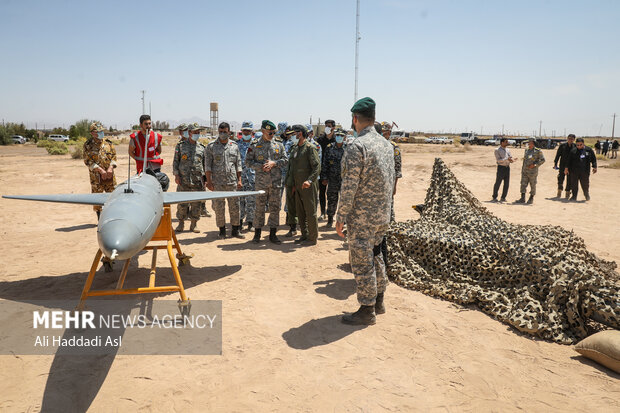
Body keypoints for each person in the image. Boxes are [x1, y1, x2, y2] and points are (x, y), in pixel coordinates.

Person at [336, 97, 395, 325]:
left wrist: (341, 217)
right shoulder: (386, 144)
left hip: (362, 217)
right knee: (376, 254)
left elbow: (349, 186)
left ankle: (367, 309)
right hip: (382, 215)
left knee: (361, 261)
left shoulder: (357, 145)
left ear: (355, 118)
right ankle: (379, 301)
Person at [245, 120, 288, 244]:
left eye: (273, 132)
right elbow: (248, 162)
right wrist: (260, 167)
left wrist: (275, 163)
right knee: (259, 208)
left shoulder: (279, 145)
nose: (272, 135)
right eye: (269, 132)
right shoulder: (254, 145)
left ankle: (273, 234)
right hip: (261, 183)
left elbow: (285, 160)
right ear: (263, 131)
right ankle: (257, 234)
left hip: (275, 183)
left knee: (274, 208)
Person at [205, 122, 243, 238]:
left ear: (229, 132)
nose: (222, 134)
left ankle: (235, 230)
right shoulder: (211, 146)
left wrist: (239, 180)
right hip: (218, 183)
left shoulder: (234, 146)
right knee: (219, 208)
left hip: (232, 182)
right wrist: (209, 182)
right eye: (220, 132)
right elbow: (207, 166)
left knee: (235, 207)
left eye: (224, 132)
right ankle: (222, 231)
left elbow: (238, 165)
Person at [286, 124, 321, 245]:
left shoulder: (310, 148)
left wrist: (310, 180)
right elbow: (293, 168)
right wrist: (294, 184)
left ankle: (312, 238)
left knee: (310, 212)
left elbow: (317, 167)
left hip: (308, 186)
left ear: (299, 134)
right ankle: (304, 235)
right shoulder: (296, 148)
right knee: (300, 212)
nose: (292, 136)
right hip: (298, 186)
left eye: (294, 134)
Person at [172, 123, 206, 233]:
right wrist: (177, 175)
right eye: (195, 132)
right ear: (189, 133)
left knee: (196, 204)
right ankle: (181, 223)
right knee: (182, 204)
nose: (197, 134)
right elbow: (176, 162)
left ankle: (194, 224)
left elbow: (205, 165)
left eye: (198, 132)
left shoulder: (202, 148)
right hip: (183, 180)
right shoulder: (181, 146)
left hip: (197, 181)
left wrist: (205, 180)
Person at [83, 122, 117, 220]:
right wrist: (100, 170)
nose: (101, 133)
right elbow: (87, 161)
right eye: (98, 131)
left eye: (101, 131)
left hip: (110, 176)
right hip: (96, 178)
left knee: (113, 197)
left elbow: (114, 157)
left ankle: (112, 219)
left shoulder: (108, 143)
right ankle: (100, 220)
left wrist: (110, 168)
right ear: (92, 133)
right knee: (97, 199)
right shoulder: (88, 145)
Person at [128, 114, 169, 191]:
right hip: (141, 167)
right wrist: (138, 159)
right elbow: (130, 152)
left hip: (155, 167)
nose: (148, 126)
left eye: (150, 123)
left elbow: (159, 151)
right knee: (142, 188)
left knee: (156, 187)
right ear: (141, 125)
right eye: (146, 124)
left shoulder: (157, 136)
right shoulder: (135, 137)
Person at [321, 129, 346, 227]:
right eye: (338, 135)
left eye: (341, 135)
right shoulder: (329, 148)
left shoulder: (348, 148)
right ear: (335, 136)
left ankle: (343, 221)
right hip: (332, 179)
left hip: (345, 179)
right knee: (331, 199)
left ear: (344, 137)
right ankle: (330, 219)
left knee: (344, 200)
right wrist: (324, 177)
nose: (339, 137)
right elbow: (325, 163)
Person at [381, 122, 402, 221]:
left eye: (383, 132)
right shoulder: (376, 145)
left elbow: (397, 169)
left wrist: (394, 186)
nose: (381, 134)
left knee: (389, 207)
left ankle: (390, 229)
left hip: (389, 183)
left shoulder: (394, 147)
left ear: (389, 133)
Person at [237, 121, 256, 232]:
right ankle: (239, 222)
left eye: (248, 131)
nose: (246, 132)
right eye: (244, 130)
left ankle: (250, 222)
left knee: (252, 201)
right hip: (240, 177)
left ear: (252, 132)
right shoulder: (236, 144)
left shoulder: (256, 145)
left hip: (253, 178)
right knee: (240, 200)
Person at [516, 138, 545, 204]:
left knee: (533, 185)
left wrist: (534, 165)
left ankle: (531, 198)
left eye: (530, 141)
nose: (528, 143)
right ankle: (522, 198)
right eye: (528, 141)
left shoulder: (538, 151)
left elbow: (543, 160)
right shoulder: (526, 150)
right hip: (525, 171)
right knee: (523, 184)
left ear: (533, 142)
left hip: (533, 172)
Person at [317, 120, 335, 220]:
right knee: (322, 192)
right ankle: (323, 212)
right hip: (322, 169)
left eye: (329, 126)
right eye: (326, 126)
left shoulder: (337, 139)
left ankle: (331, 214)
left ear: (333, 128)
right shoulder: (320, 139)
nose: (327, 128)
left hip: (334, 170)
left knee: (332, 193)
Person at [492, 137, 515, 202]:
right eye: (506, 142)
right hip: (501, 168)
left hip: (507, 168)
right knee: (498, 183)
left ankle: (503, 197)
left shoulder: (508, 150)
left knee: (506, 184)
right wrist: (506, 159)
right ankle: (494, 197)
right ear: (502, 142)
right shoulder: (497, 150)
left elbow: (510, 157)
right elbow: (498, 160)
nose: (507, 143)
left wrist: (512, 160)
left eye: (507, 142)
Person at [553, 134, 575, 198]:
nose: (570, 140)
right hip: (562, 165)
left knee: (569, 180)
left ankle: (567, 193)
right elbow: (558, 155)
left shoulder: (575, 146)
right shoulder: (562, 146)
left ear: (574, 140)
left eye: (572, 139)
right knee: (560, 178)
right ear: (567, 138)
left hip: (571, 166)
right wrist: (555, 163)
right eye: (569, 138)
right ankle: (559, 191)